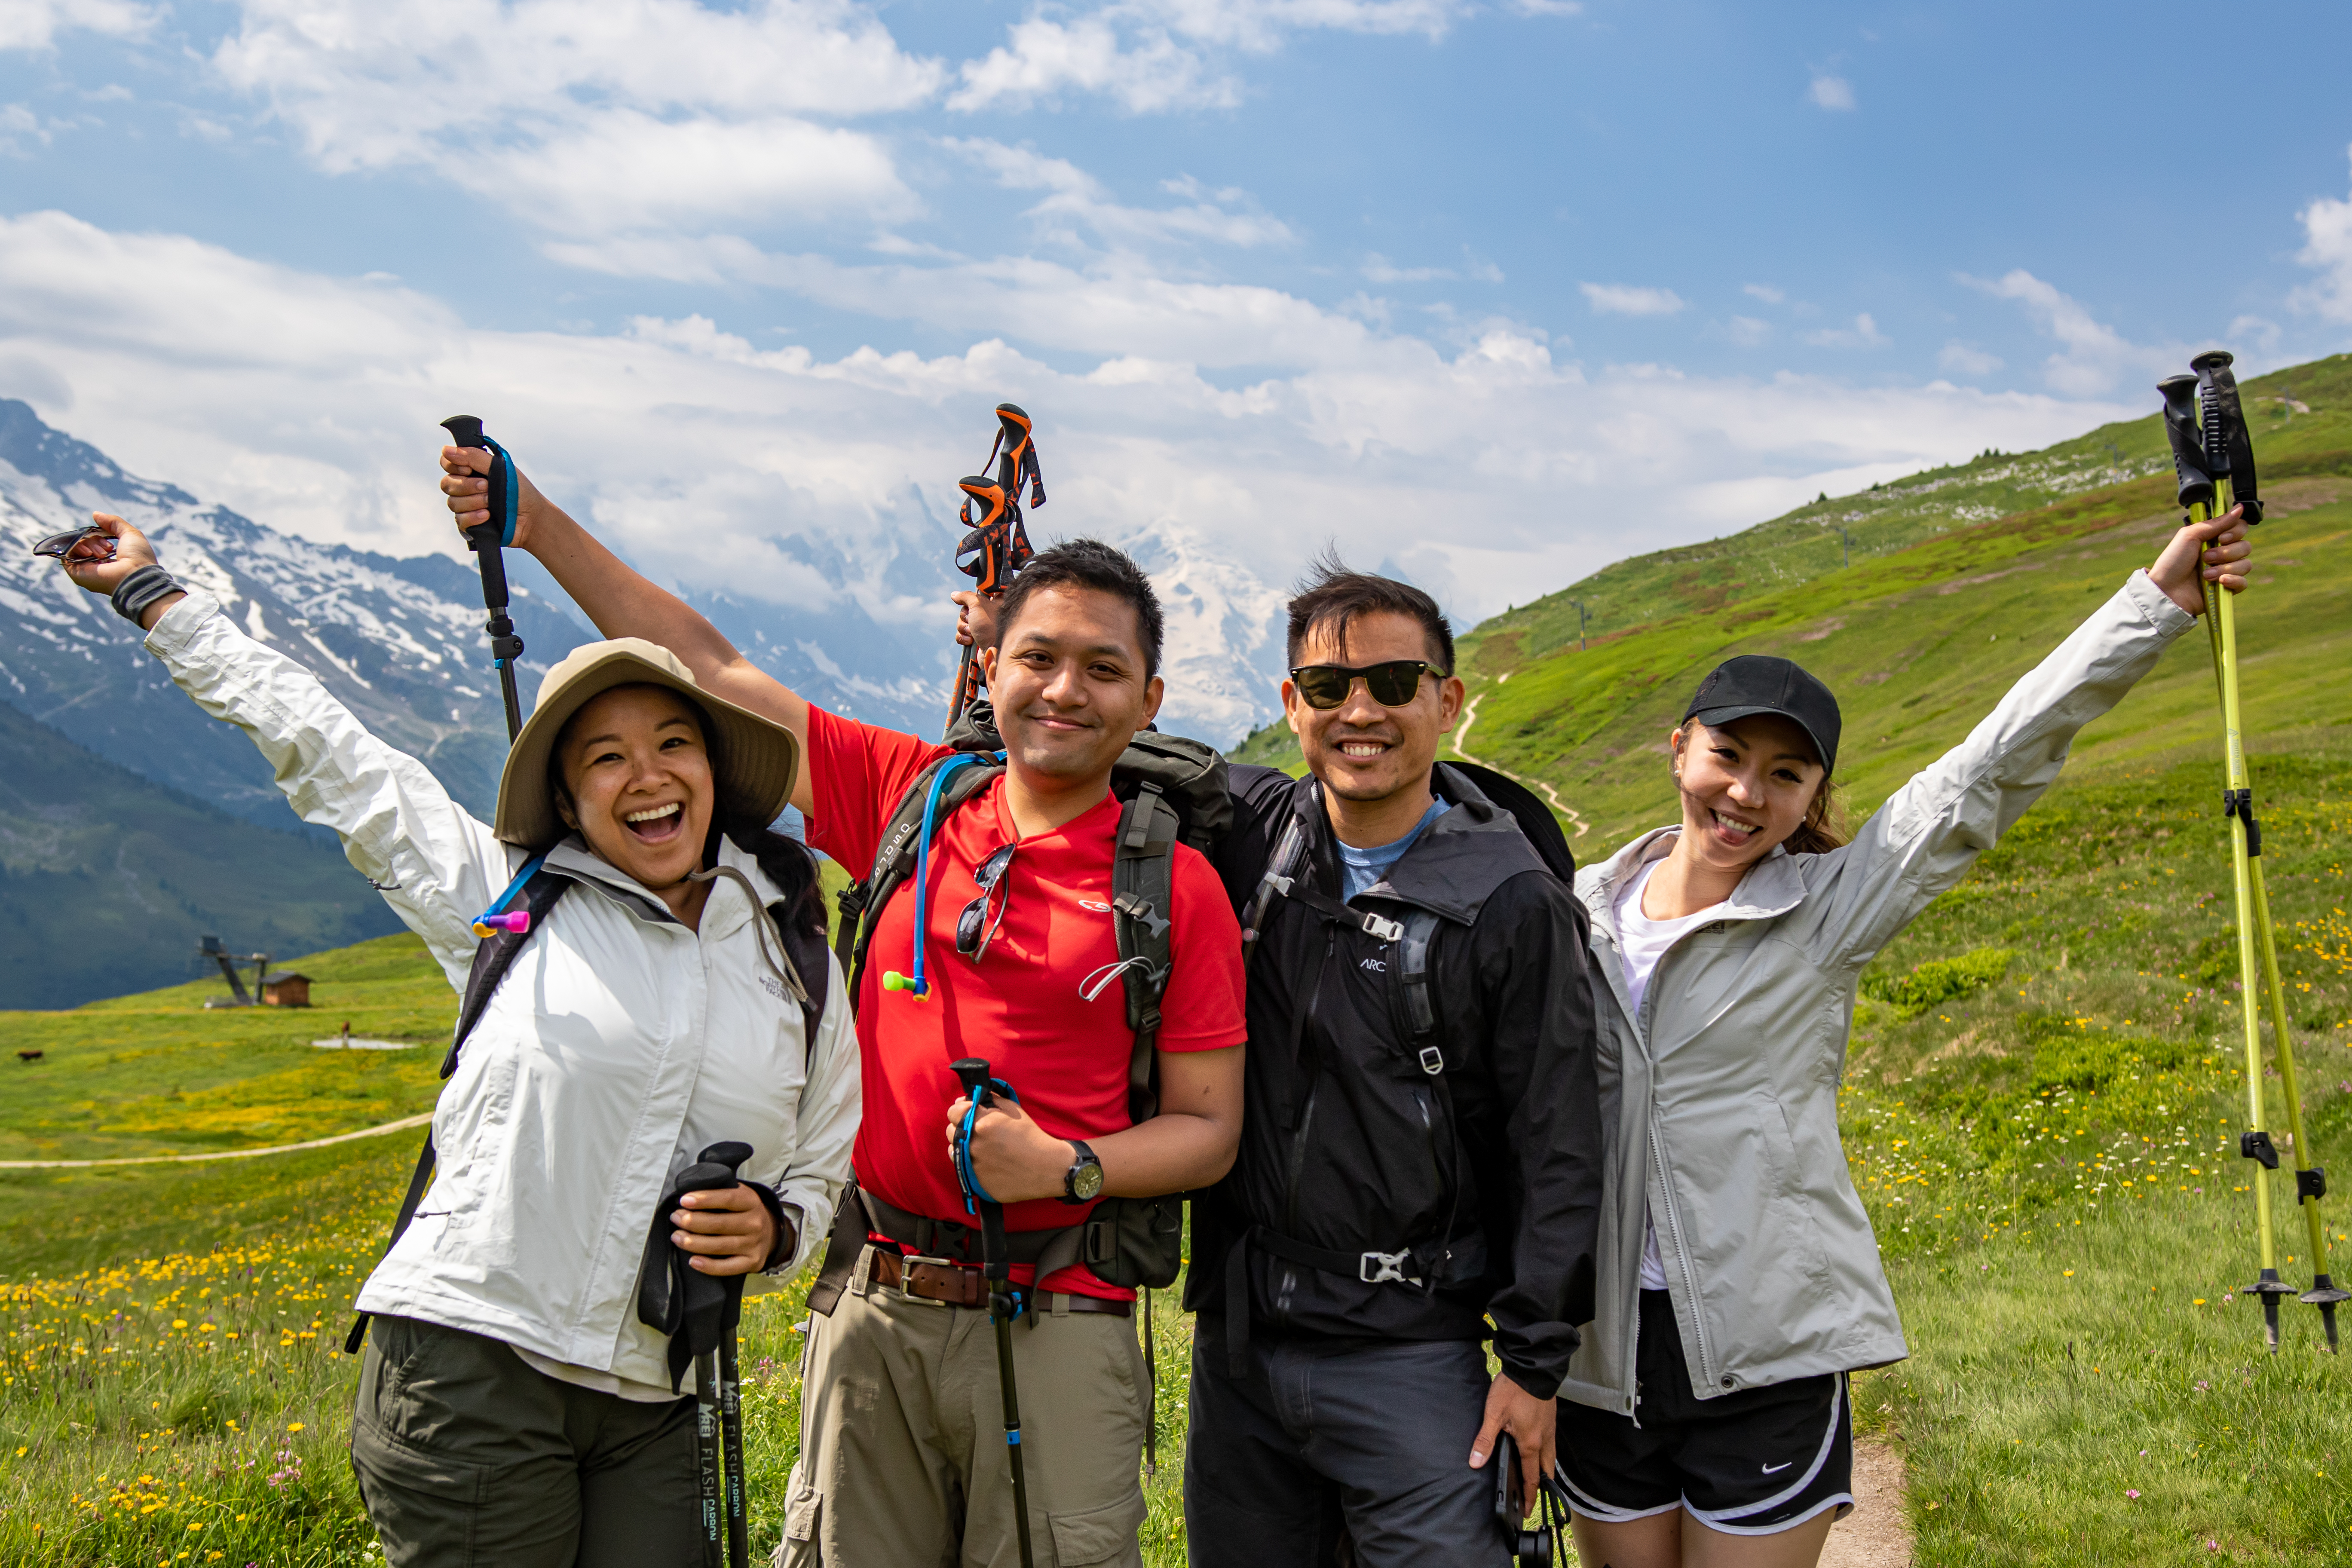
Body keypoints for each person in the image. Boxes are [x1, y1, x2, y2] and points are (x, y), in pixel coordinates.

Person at [438, 448, 1249, 1568]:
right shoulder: (908, 798)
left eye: (1103, 669)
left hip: (1066, 1317)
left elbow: (1210, 1128)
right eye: (1040, 657)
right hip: (874, 1303)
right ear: (993, 664)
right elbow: (710, 670)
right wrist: (537, 526)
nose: (1066, 690)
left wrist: (1068, 1167)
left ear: (1148, 697)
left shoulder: (1175, 887)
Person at [46, 512, 861, 1567]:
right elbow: (333, 756)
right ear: (567, 797)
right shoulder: (505, 900)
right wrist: (154, 598)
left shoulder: (794, 952)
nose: (646, 777)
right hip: (473, 1367)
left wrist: (775, 1230)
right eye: (605, 758)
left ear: (715, 768)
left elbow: (823, 1156)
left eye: (672, 744)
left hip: (663, 1392)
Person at [1553, 508, 2254, 1567]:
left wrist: (2153, 607)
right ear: (1678, 750)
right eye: (1728, 755)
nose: (1745, 793)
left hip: (1768, 1349)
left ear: (1811, 798)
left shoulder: (1827, 910)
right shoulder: (1574, 910)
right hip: (1600, 1359)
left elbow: (1986, 773)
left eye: (1785, 776)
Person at [1174, 562, 1602, 1566]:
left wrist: (1535, 1368)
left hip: (1417, 1357)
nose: (1359, 710)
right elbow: (1089, 748)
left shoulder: (1513, 904)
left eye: (1395, 683)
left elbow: (1562, 1142)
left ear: (1445, 701)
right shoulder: (1252, 836)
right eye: (1329, 688)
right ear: (1292, 706)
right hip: (1241, 1356)